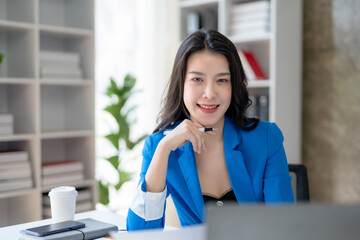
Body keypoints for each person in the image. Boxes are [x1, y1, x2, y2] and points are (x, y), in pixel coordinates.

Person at [126, 29, 294, 231]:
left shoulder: (266, 138)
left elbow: (285, 226)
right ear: (182, 85)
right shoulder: (159, 147)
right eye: (198, 79)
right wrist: (162, 150)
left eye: (222, 80)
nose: (210, 94)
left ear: (234, 85)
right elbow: (140, 233)